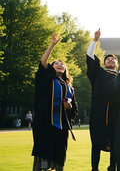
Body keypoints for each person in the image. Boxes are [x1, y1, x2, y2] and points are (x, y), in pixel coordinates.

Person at [32, 33, 78, 171]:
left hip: (61, 128)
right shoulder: (46, 80)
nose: (60, 64)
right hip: (44, 124)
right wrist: (52, 45)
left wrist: (68, 107)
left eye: (62, 63)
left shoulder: (70, 88)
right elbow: (43, 62)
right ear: (51, 68)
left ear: (65, 69)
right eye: (56, 63)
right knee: (43, 157)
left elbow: (75, 108)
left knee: (59, 158)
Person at [86, 28, 118, 171]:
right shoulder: (98, 74)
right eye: (108, 59)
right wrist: (94, 40)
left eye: (113, 59)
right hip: (98, 113)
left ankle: (112, 166)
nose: (110, 60)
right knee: (96, 143)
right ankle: (95, 168)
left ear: (116, 64)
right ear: (105, 64)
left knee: (116, 141)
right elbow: (90, 57)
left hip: (116, 115)